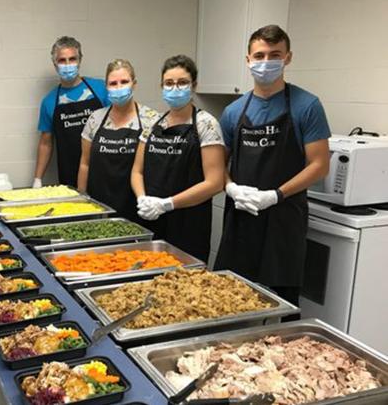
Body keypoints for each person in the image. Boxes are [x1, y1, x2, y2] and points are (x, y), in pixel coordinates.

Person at [214, 25, 331, 307]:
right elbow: (218, 164)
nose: (266, 62)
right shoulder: (233, 111)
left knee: (283, 304)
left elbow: (320, 165)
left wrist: (275, 195)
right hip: (241, 218)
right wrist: (230, 188)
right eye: (259, 55)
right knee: (229, 300)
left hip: (284, 220)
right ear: (248, 60)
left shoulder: (307, 105)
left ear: (288, 57)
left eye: (274, 55)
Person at [131, 55, 225, 263]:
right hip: (151, 220)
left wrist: (167, 204)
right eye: (169, 83)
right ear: (161, 86)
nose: (175, 89)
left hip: (189, 224)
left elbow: (215, 182)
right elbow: (137, 171)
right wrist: (142, 198)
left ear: (194, 86)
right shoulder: (153, 122)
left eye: (182, 83)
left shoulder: (206, 124)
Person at [78, 59, 159, 222]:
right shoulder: (95, 119)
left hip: (136, 206)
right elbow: (85, 163)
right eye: (113, 83)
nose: (119, 87)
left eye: (124, 82)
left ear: (134, 84)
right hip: (99, 207)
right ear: (106, 87)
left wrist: (147, 204)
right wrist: (81, 199)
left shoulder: (151, 119)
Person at [33, 36, 109, 188]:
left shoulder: (101, 89)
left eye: (72, 59)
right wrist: (37, 179)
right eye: (62, 60)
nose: (68, 64)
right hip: (69, 173)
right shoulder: (49, 101)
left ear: (80, 60)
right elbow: (46, 143)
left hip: (103, 169)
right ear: (55, 64)